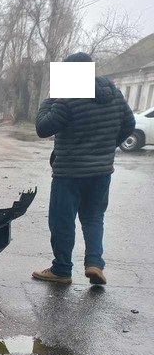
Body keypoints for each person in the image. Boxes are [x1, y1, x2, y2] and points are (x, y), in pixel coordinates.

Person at [32, 51, 135, 286]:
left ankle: (61, 270)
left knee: (62, 221)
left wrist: (50, 98)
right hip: (101, 172)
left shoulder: (68, 97)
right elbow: (129, 124)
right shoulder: (113, 94)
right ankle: (94, 264)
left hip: (69, 172)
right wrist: (105, 147)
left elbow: (43, 127)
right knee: (93, 218)